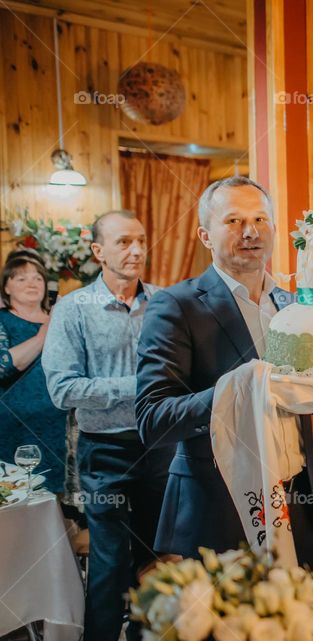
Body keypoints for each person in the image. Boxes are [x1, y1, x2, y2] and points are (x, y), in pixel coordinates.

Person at [136, 176, 313, 564]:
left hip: (298, 499)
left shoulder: (294, 305)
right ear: (205, 235)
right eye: (233, 221)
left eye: (260, 220)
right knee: (238, 626)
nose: (250, 232)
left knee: (306, 623)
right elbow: (154, 420)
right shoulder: (177, 305)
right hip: (220, 510)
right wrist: (239, 388)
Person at [42, 210, 174, 641]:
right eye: (123, 242)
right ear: (98, 251)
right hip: (105, 451)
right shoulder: (72, 309)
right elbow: (63, 389)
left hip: (161, 447)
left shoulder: (166, 301)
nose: (136, 250)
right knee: (110, 561)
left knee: (157, 558)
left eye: (140, 240)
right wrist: (138, 387)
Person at [0, 255, 67, 492]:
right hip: (14, 428)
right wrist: (42, 336)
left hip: (63, 426)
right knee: (19, 495)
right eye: (21, 278)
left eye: (38, 278)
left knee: (65, 505)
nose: (32, 283)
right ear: (6, 287)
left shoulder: (64, 319)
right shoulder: (2, 320)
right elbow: (3, 366)